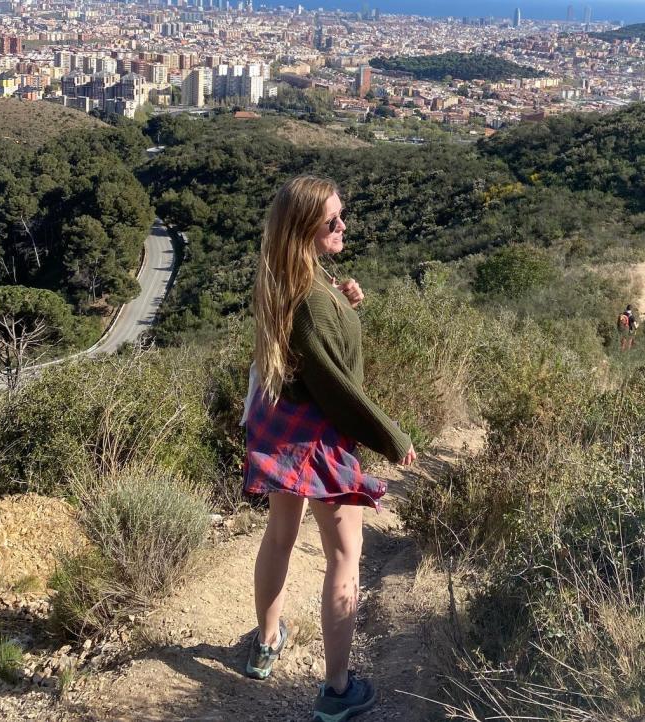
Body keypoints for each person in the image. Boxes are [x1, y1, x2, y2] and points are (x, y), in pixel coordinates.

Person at [240, 175, 416, 722]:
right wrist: (392, 436)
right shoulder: (312, 298)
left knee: (280, 535)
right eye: (332, 220)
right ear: (304, 228)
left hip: (280, 423)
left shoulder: (287, 277)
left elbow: (312, 342)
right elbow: (338, 388)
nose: (343, 225)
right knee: (344, 555)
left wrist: (343, 305)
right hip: (316, 436)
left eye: (341, 216)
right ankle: (337, 691)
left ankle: (268, 641)